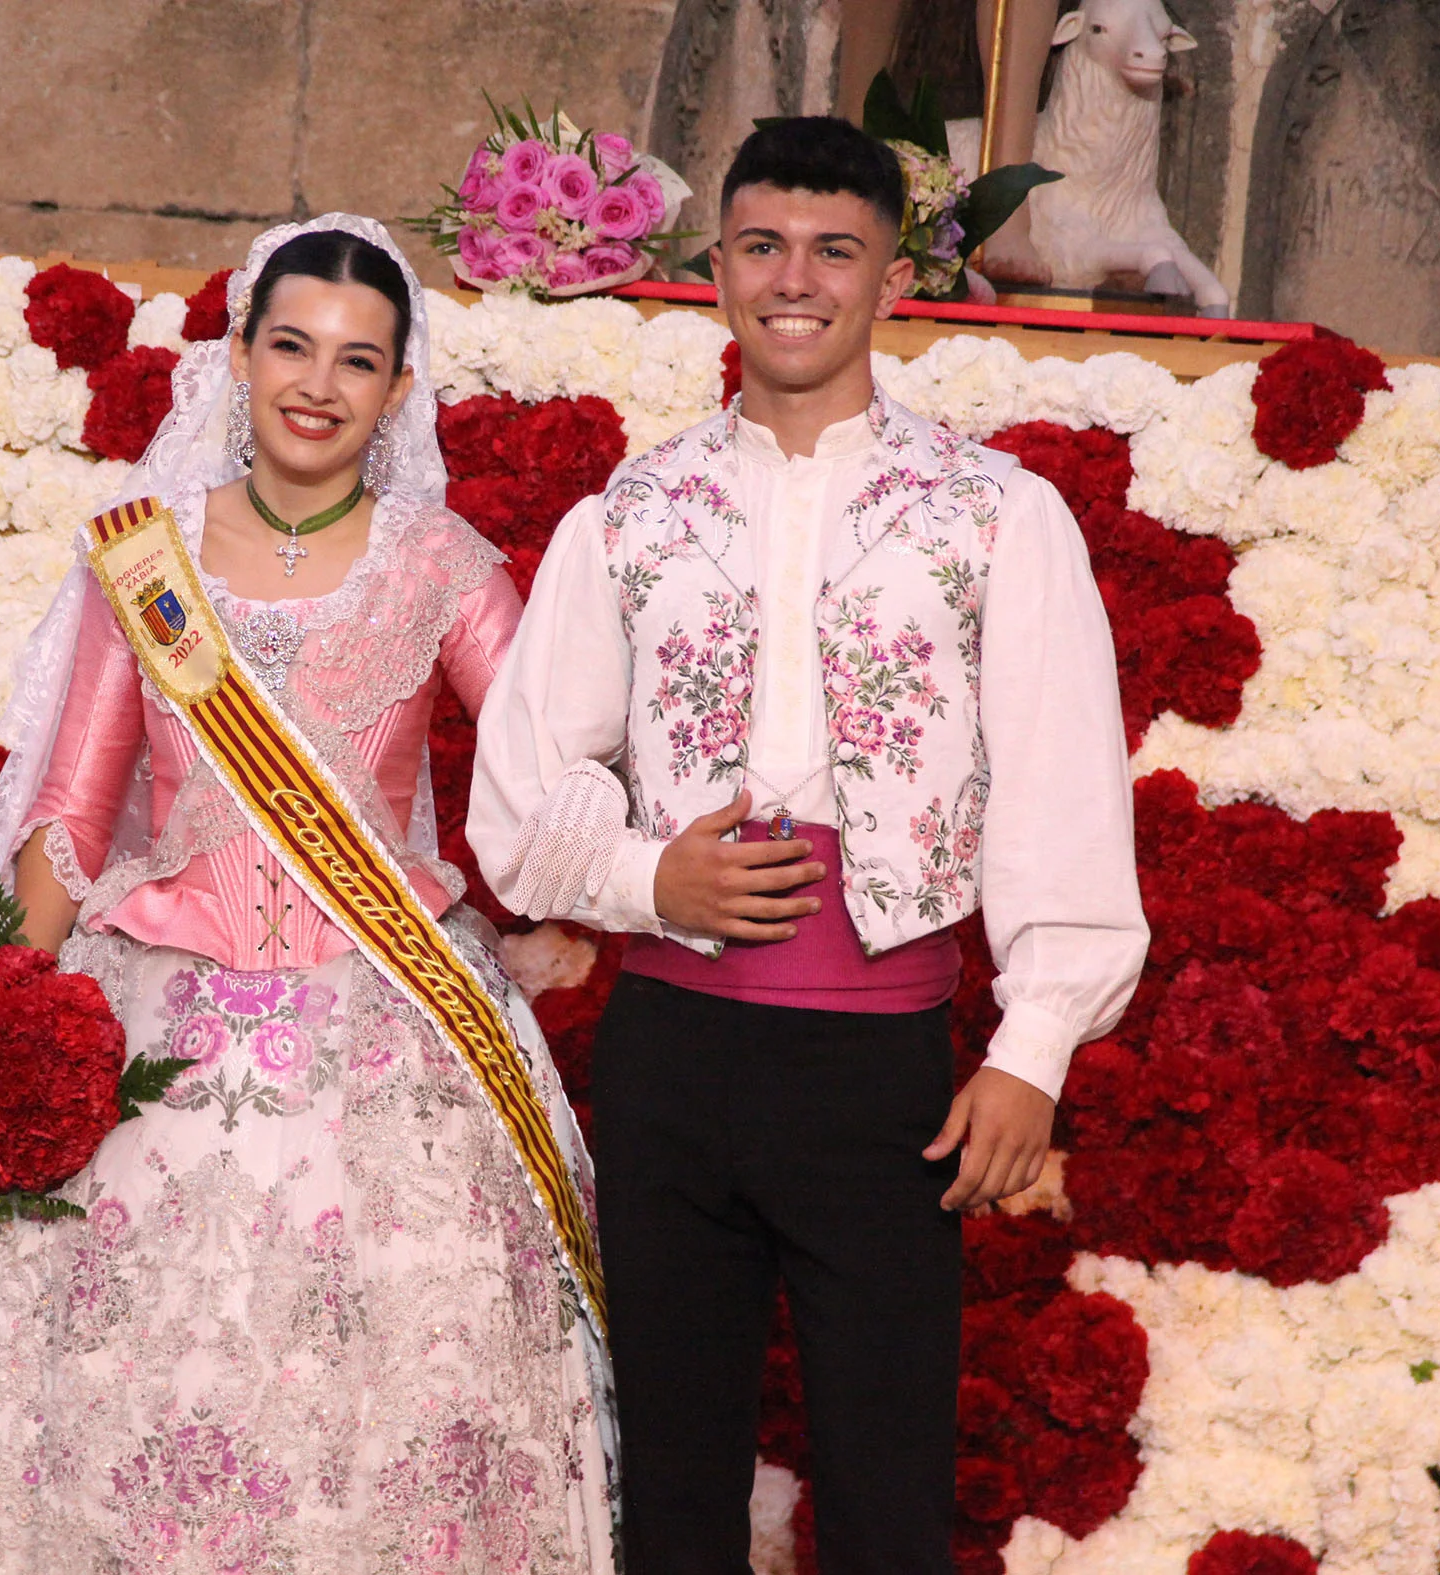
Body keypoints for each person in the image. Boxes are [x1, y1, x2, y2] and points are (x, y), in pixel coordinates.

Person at [0, 216, 618, 1575]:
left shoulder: (445, 566)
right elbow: (69, 808)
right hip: (150, 1028)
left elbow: (552, 775)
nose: (317, 381)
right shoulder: (147, 554)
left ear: (399, 388)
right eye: (290, 344)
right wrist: (10, 1010)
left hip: (387, 1033)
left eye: (358, 360)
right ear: (236, 355)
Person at [469, 118, 1146, 1573]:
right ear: (714, 269)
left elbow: (1059, 787)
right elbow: (520, 791)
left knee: (889, 1490)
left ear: (891, 279)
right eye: (763, 245)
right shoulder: (632, 514)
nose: (796, 279)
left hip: (877, 1080)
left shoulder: (993, 516)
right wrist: (649, 877)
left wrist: (1030, 1050)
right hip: (668, 1058)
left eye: (833, 249)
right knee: (673, 1484)